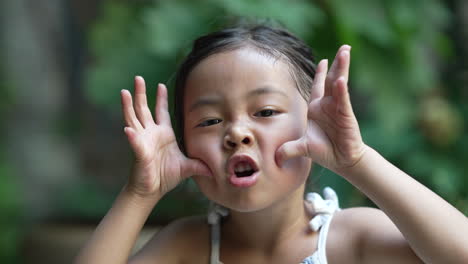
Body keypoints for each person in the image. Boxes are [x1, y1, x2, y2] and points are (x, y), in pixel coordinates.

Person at [74, 24, 468, 264]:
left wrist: (357, 162)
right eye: (210, 121)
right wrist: (140, 193)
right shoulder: (185, 247)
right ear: (185, 146)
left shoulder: (355, 239)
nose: (236, 133)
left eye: (264, 112)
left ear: (314, 125)